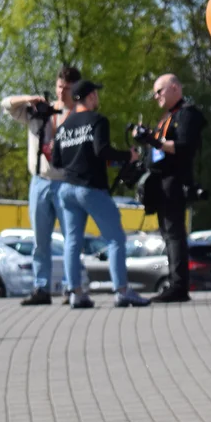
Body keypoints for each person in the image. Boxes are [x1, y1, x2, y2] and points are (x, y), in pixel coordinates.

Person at [52, 80, 150, 309]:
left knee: (73, 242)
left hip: (66, 189)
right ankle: (122, 291)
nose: (97, 97)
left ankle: (75, 292)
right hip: (90, 187)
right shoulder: (98, 120)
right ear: (88, 97)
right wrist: (129, 156)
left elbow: (56, 160)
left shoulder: (64, 126)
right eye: (95, 93)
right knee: (115, 238)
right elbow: (101, 150)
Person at [0, 65, 79, 306]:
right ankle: (41, 287)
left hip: (66, 182)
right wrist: (30, 99)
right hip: (40, 181)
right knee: (40, 241)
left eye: (67, 88)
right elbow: (6, 104)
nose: (62, 92)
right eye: (59, 87)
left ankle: (71, 286)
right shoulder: (38, 111)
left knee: (71, 239)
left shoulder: (77, 114)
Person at [134, 74, 207, 303]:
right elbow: (157, 150)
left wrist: (152, 140)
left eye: (160, 91)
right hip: (160, 181)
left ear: (175, 88)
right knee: (167, 233)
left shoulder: (188, 114)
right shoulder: (167, 117)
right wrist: (144, 138)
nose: (156, 96)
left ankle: (178, 287)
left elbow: (184, 147)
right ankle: (174, 283)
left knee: (174, 234)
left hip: (175, 180)